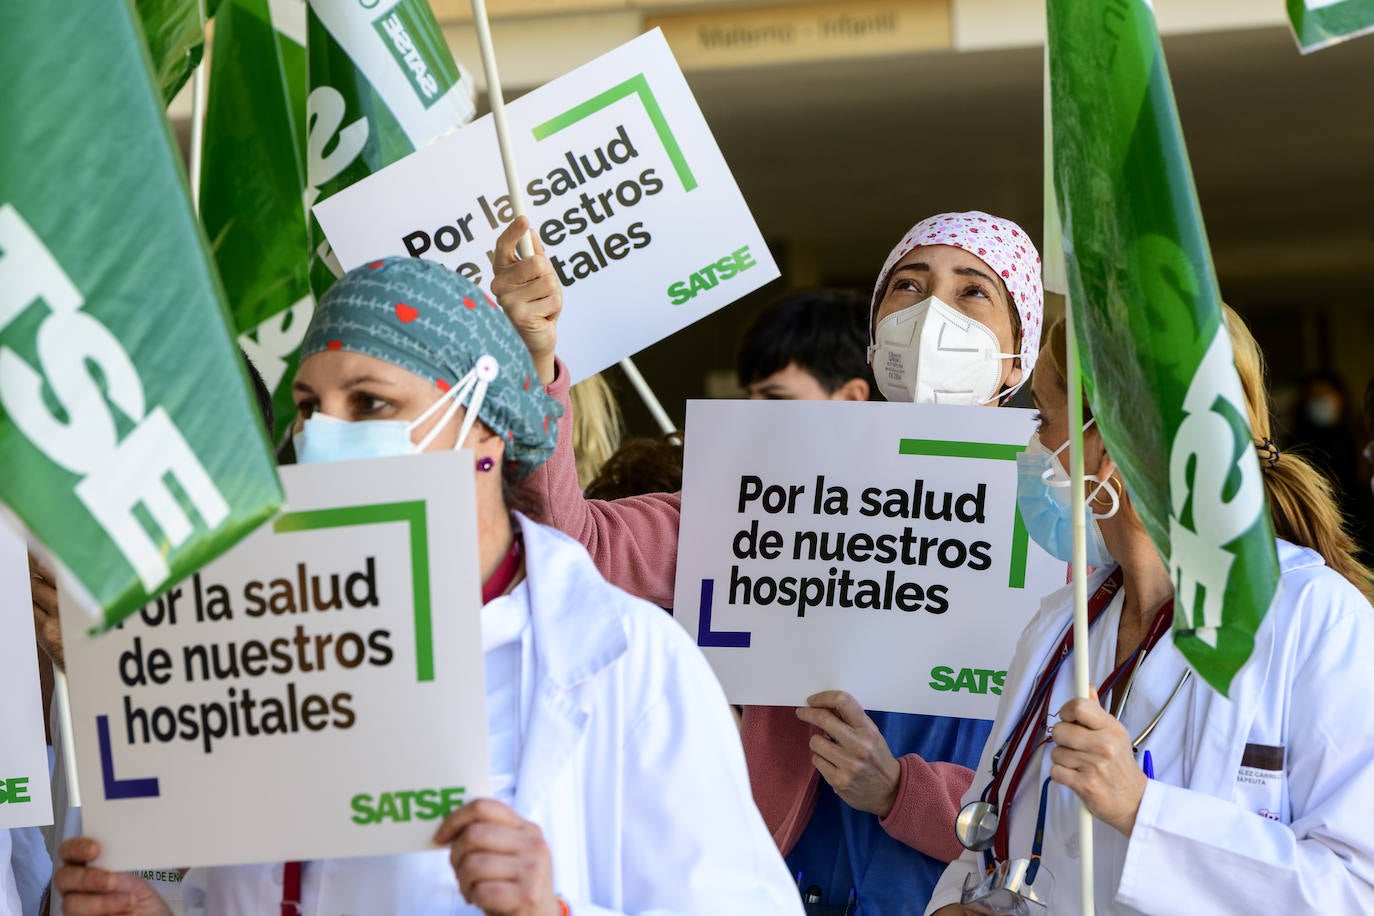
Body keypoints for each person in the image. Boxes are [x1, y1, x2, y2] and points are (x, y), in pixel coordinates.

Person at [52, 257, 803, 916]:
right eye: (310, 407)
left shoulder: (630, 662)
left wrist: (551, 909)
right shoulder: (266, 636)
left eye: (371, 404)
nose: (320, 436)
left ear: (483, 428)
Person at [493, 212, 1044, 914]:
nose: (932, 311)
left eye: (972, 292)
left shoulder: (1059, 527)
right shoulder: (771, 497)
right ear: (876, 335)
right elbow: (571, 547)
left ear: (1016, 353)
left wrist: (904, 793)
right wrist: (537, 365)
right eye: (908, 285)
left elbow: (1055, 800)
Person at [927, 310, 1374, 914]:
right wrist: (965, 905)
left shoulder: (1316, 619)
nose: (1034, 447)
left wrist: (1145, 812)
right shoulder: (1059, 625)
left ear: (1112, 443)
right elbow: (986, 850)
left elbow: (1353, 888)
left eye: (1043, 418)